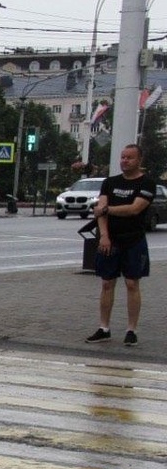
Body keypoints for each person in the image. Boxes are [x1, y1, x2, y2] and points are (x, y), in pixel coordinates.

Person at [86, 143, 154, 347]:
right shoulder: (110, 182)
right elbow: (100, 210)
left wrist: (106, 210)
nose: (125, 161)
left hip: (134, 240)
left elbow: (134, 209)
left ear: (139, 160)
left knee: (132, 284)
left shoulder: (147, 183)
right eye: (123, 157)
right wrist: (104, 236)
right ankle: (104, 328)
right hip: (110, 240)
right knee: (106, 283)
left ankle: (131, 330)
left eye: (129, 158)